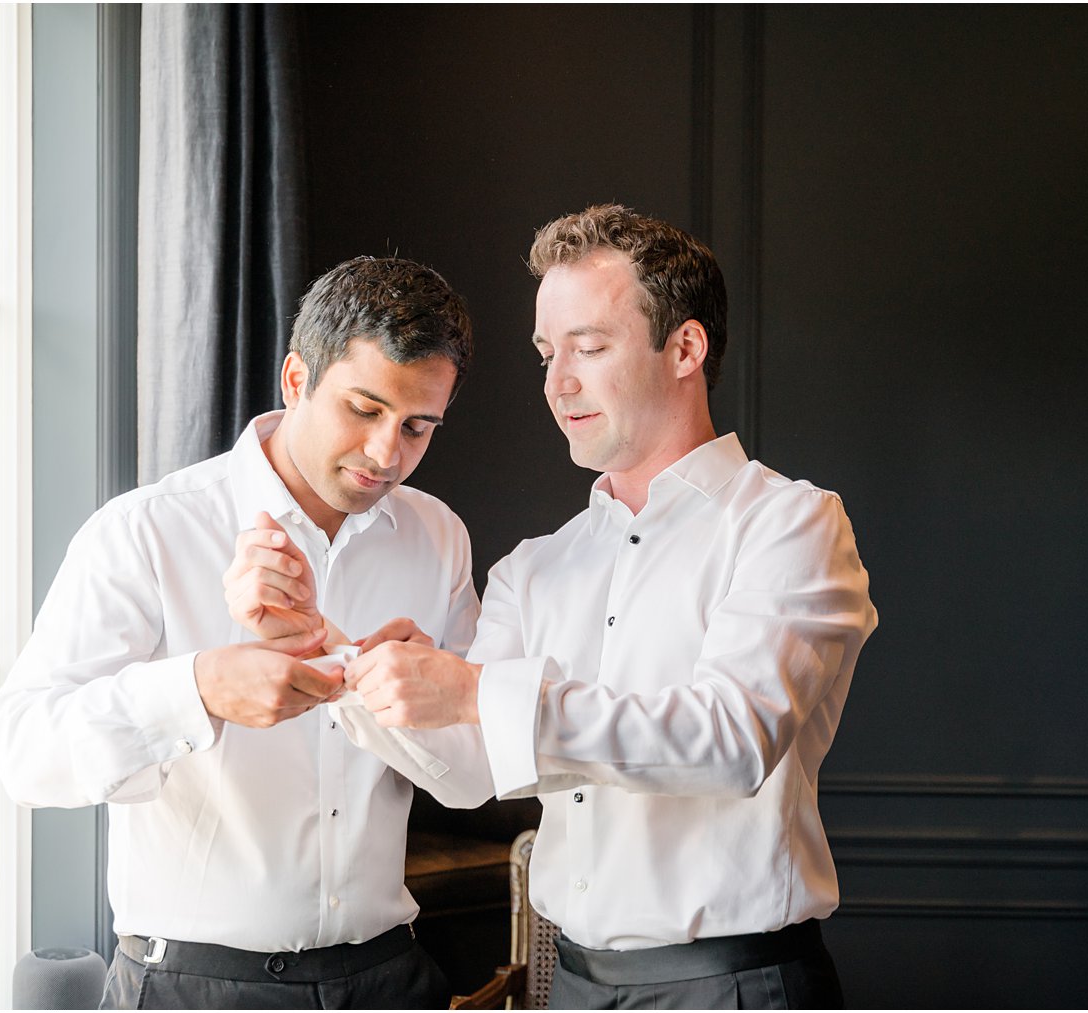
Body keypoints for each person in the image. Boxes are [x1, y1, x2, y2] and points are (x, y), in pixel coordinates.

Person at [339, 205, 878, 1008]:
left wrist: (475, 690)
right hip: (574, 988)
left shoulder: (790, 522)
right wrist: (361, 675)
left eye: (589, 347)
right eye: (547, 352)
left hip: (736, 986)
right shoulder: (535, 566)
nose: (559, 381)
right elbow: (471, 773)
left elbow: (732, 739)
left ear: (685, 347)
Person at [0, 255, 491, 1010]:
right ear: (296, 380)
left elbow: (475, 775)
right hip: (193, 988)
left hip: (389, 978)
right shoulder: (148, 530)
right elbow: (21, 750)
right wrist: (200, 687)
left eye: (418, 426)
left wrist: (350, 667)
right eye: (363, 408)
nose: (388, 454)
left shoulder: (437, 536)